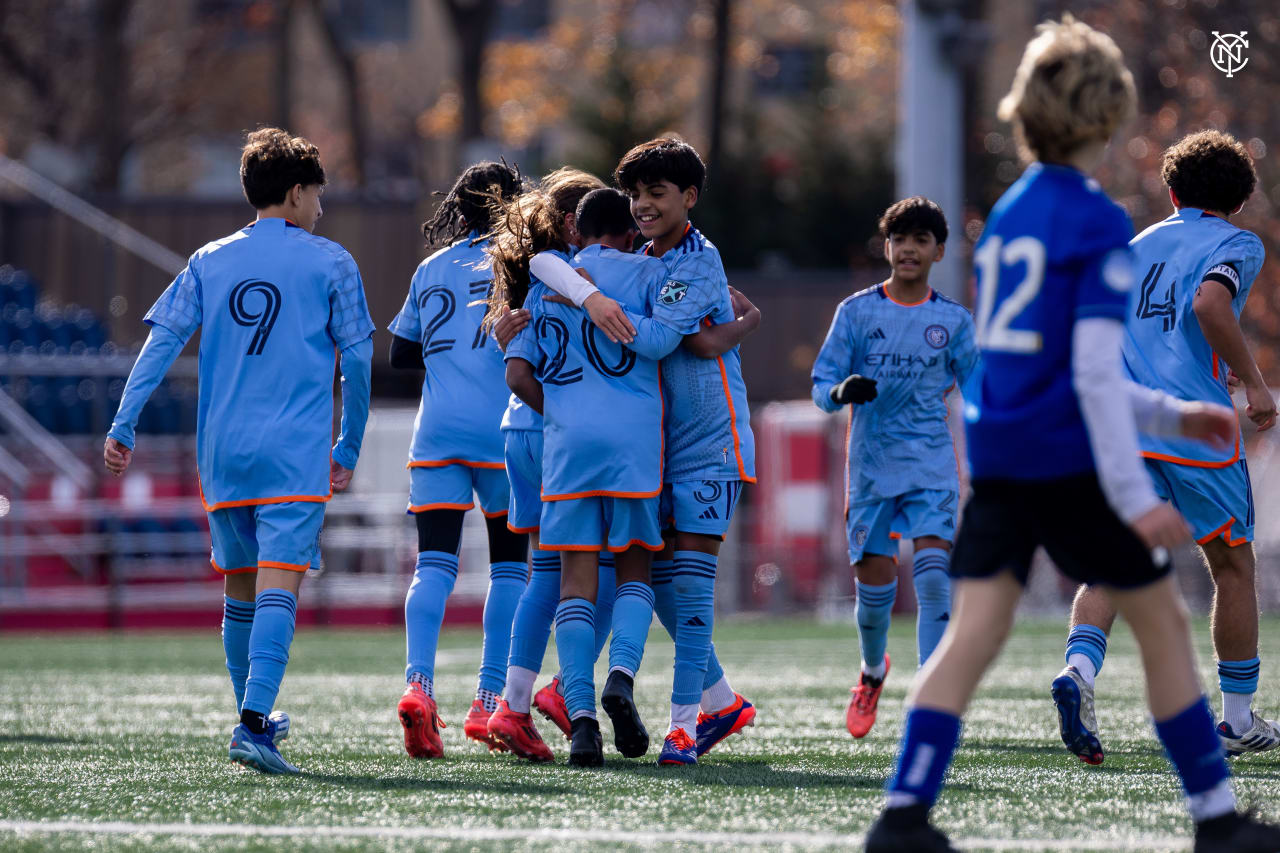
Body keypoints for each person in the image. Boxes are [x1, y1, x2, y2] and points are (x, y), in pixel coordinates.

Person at [863, 17, 1280, 852]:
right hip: (1065, 451)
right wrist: (1141, 470)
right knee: (1161, 616)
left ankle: (902, 816)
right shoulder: (1092, 221)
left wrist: (1164, 417)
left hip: (1000, 446)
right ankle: (1216, 818)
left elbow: (1057, 351)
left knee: (975, 632)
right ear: (1107, 116)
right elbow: (1091, 371)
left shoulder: (1011, 212)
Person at [103, 127, 374, 775]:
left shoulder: (208, 259)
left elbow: (161, 342)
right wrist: (350, 441)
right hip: (293, 449)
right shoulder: (331, 261)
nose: (321, 208)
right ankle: (254, 723)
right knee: (281, 582)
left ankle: (253, 712)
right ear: (296, 192)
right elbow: (359, 362)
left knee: (241, 588)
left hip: (222, 451)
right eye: (316, 194)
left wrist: (124, 421)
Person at [523, 137, 761, 765]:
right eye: (634, 195)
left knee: (690, 588)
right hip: (651, 449)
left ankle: (683, 726)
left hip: (708, 447)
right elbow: (551, 265)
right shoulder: (643, 258)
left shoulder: (694, 261)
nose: (643, 206)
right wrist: (592, 297)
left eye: (656, 194)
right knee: (654, 581)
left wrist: (741, 326)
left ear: (690, 196)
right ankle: (720, 704)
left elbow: (671, 344)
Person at [1052, 129, 1275, 765]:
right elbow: (1210, 303)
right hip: (1195, 430)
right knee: (1232, 566)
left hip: (1123, 426)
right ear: (1239, 199)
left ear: (1172, 189)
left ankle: (1079, 673)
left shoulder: (1134, 246)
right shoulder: (1237, 242)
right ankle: (1235, 719)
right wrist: (1254, 385)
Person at [502, 187, 695, 766]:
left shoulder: (548, 284)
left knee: (574, 586)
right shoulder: (649, 274)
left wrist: (562, 413)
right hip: (634, 443)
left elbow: (516, 376)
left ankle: (582, 721)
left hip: (567, 451)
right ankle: (621, 678)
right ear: (631, 231)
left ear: (575, 232)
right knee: (635, 568)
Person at [810, 196, 978, 740]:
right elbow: (820, 390)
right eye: (900, 239)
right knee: (875, 591)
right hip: (872, 470)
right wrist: (841, 391)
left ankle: (933, 700)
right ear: (887, 247)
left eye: (921, 240)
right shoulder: (856, 312)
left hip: (930, 465)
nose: (909, 249)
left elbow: (980, 393)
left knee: (932, 578)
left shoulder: (952, 320)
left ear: (939, 251)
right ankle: (873, 670)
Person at [388, 161, 531, 758]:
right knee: (510, 571)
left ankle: (418, 686)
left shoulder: (429, 267)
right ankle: (488, 701)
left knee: (434, 567)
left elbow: (400, 353)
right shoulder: (520, 264)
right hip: (500, 432)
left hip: (436, 433)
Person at [479, 168, 616, 762]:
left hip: (520, 433)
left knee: (544, 573)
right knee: (611, 564)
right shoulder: (584, 272)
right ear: (572, 223)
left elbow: (515, 357)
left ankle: (511, 705)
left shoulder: (529, 276)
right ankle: (564, 688)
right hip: (558, 435)